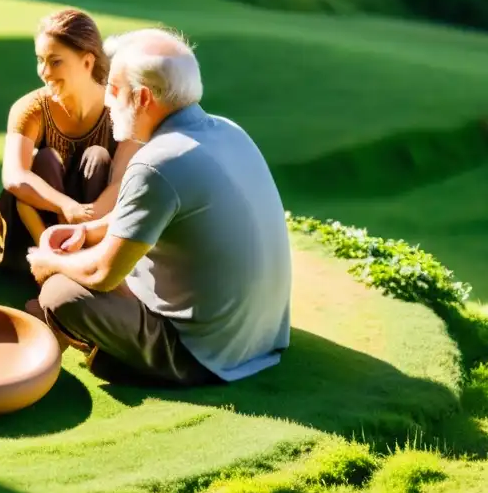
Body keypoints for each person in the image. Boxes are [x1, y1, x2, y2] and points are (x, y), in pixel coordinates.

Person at [25, 27, 292, 387]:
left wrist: (50, 263)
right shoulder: (229, 130)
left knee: (60, 293)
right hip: (262, 336)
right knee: (93, 268)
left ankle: (121, 357)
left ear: (143, 98)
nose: (106, 100)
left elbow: (103, 273)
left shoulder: (157, 162)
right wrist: (87, 230)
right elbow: (150, 212)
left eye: (115, 89)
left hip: (203, 356)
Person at [0, 8, 138, 282]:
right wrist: (66, 206)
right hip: (32, 230)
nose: (44, 72)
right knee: (45, 159)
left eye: (55, 62)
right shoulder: (31, 109)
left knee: (98, 157)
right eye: (40, 60)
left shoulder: (117, 108)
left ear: (87, 62)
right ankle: (52, 267)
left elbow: (124, 179)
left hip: (93, 226)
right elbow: (14, 176)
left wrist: (90, 218)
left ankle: (87, 261)